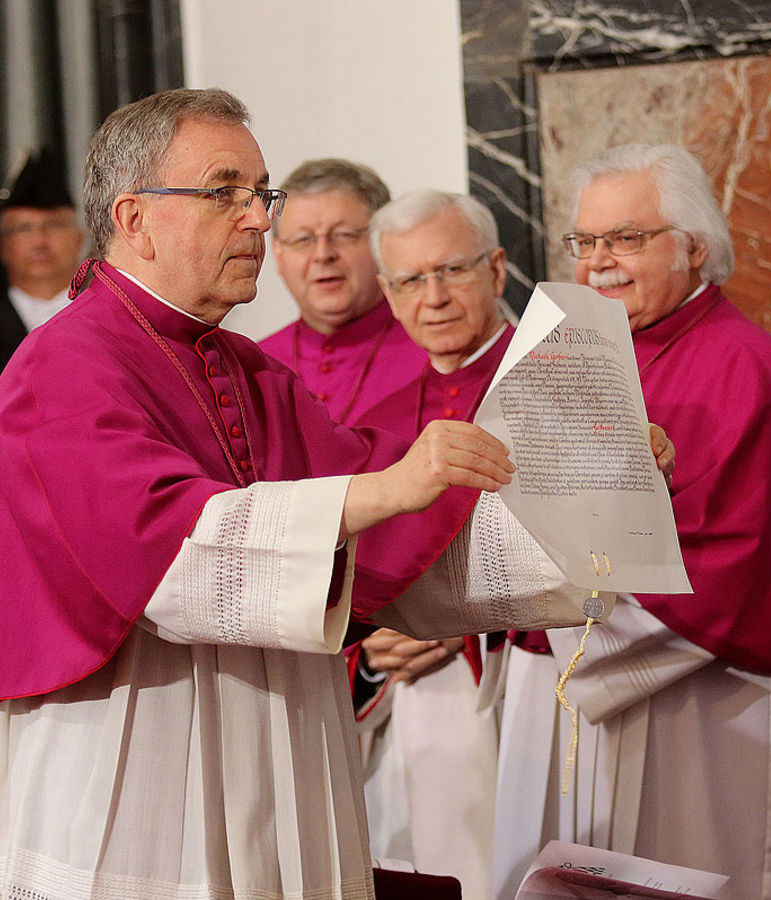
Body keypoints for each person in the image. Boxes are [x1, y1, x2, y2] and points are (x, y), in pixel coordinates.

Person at [0, 87, 523, 900]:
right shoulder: (63, 364)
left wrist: (592, 477)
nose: (257, 219)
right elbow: (159, 544)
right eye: (224, 193)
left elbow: (395, 522)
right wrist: (386, 489)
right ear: (133, 218)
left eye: (260, 193)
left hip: (287, 753)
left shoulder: (247, 370)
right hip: (146, 753)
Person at [488, 143, 771, 900]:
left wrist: (551, 613)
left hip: (715, 712)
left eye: (627, 238)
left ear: (695, 247)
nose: (599, 262)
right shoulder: (573, 355)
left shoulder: (746, 371)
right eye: (584, 242)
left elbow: (741, 565)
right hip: (585, 681)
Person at [347, 189, 517, 898]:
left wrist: (471, 622)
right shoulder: (376, 423)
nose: (435, 296)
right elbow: (349, 584)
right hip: (409, 713)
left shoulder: (558, 387)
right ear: (387, 293)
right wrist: (369, 653)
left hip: (520, 702)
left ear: (498, 271)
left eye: (452, 270)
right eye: (412, 280)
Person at [260, 157, 425, 420]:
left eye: (345, 235)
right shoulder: (253, 365)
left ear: (383, 245)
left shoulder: (433, 349)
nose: (323, 255)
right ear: (278, 255)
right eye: (303, 239)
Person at [0, 147, 86, 369]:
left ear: (78, 239)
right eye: (23, 228)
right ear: (3, 246)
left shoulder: (112, 317)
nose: (39, 241)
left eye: (53, 225)